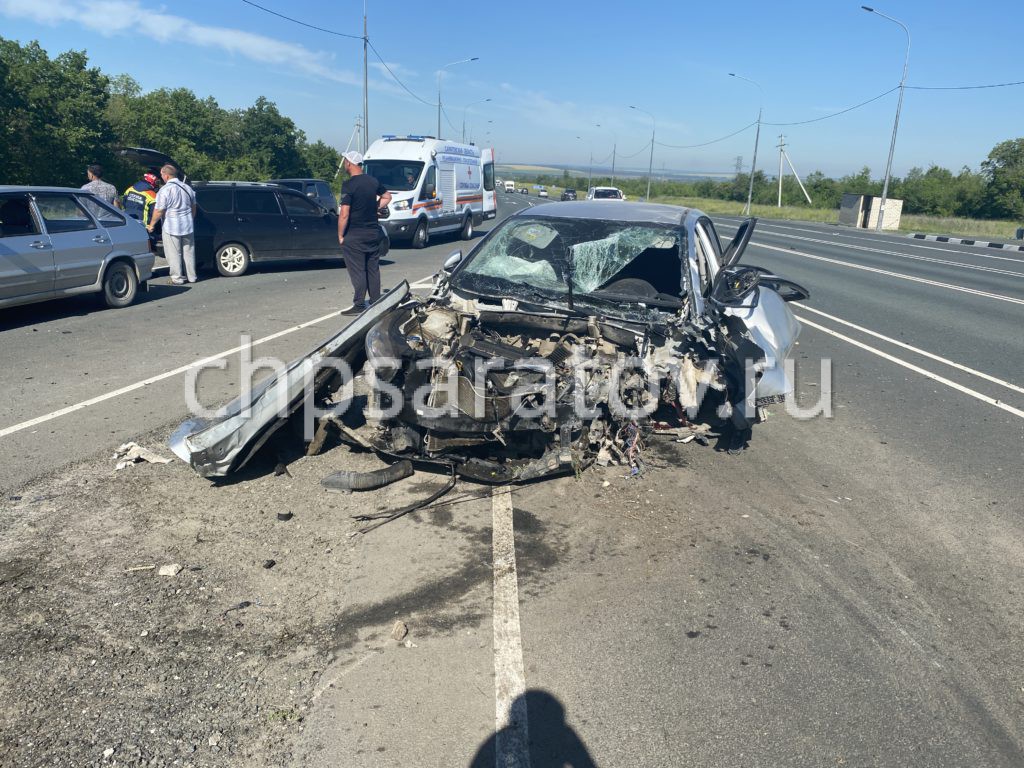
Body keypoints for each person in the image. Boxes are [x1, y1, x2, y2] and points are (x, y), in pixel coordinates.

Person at [337, 150, 391, 314]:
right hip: (372, 233)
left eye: (345, 161)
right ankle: (375, 301)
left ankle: (359, 304)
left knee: (358, 270)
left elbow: (344, 213)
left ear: (349, 163)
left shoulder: (349, 185)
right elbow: (387, 196)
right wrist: (376, 207)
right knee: (372, 268)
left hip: (355, 234)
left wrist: (340, 235)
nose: (344, 164)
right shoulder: (373, 181)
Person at [148, 164, 197, 285]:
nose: (161, 177)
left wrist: (152, 224)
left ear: (166, 175)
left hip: (171, 225)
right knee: (189, 252)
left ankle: (177, 278)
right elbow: (194, 207)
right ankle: (192, 276)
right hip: (188, 225)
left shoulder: (164, 190)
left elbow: (159, 210)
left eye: (161, 175)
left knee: (174, 253)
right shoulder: (187, 188)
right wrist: (190, 218)